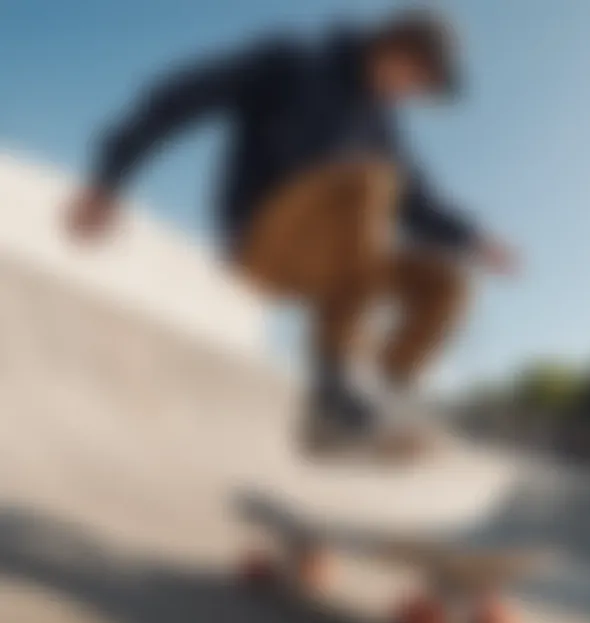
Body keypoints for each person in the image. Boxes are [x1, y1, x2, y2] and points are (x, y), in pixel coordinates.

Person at [67, 9, 517, 455]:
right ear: (397, 47)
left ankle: (381, 398)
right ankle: (330, 389)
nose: (412, 95)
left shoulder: (381, 125)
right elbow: (185, 97)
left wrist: (476, 239)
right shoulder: (294, 63)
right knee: (369, 182)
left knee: (448, 282)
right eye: (417, 79)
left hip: (336, 261)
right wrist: (110, 178)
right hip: (263, 238)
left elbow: (417, 202)